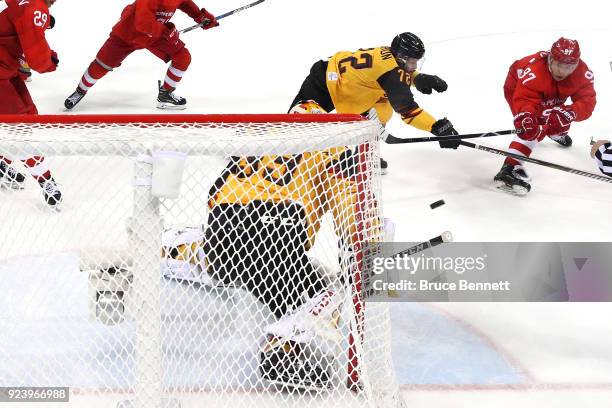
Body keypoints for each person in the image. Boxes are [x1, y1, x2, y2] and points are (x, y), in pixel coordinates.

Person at [288, 32, 461, 174]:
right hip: (326, 79)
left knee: (382, 111)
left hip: (353, 89)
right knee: (294, 124)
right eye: (412, 61)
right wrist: (436, 127)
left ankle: (364, 156)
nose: (414, 66)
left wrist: (417, 78)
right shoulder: (392, 74)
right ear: (400, 57)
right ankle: (286, 166)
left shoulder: (390, 58)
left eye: (417, 61)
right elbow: (408, 112)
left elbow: (389, 74)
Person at [63, 0, 219, 111]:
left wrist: (200, 16)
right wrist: (166, 32)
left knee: (182, 57)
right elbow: (143, 23)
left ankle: (166, 94)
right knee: (101, 66)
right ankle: (80, 91)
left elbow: (184, 2)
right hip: (128, 34)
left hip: (154, 35)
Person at [495, 37, 596, 195]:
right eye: (559, 65)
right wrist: (526, 115)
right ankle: (509, 168)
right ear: (550, 59)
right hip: (518, 84)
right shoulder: (534, 71)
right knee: (531, 127)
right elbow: (524, 99)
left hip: (549, 90)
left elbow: (587, 101)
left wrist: (571, 112)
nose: (563, 72)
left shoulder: (582, 72)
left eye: (569, 67)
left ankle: (553, 131)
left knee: (559, 117)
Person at [0, 0, 62, 207]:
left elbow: (15, 16)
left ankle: (2, 160)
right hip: (3, 69)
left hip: (7, 68)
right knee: (20, 129)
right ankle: (46, 182)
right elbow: (37, 58)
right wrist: (50, 60)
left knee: (29, 116)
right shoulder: (36, 8)